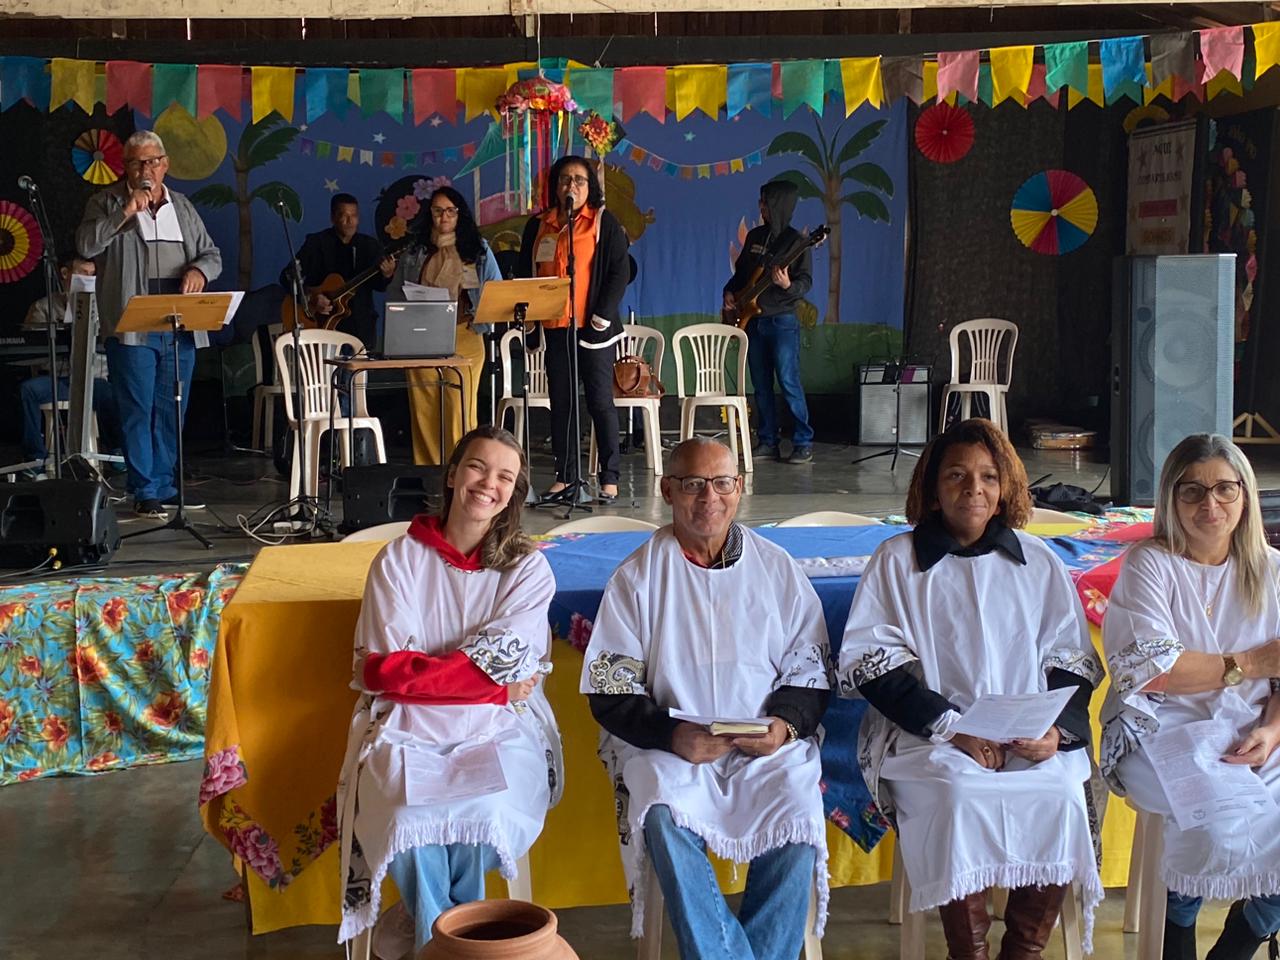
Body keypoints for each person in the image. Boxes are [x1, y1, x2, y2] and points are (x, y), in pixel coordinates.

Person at [839, 418, 1102, 960]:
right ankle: (970, 952)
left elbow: (1072, 658)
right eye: (956, 475)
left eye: (987, 476)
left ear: (1005, 487)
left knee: (1059, 795)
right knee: (957, 797)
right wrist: (953, 728)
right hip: (930, 735)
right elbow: (871, 662)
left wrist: (1056, 732)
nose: (973, 489)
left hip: (1028, 735)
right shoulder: (897, 561)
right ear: (932, 488)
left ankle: (1023, 950)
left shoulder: (1037, 561)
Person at [579, 437, 831, 960]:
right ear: (667, 490)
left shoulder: (777, 568)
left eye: (721, 483)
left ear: (739, 487)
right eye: (693, 484)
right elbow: (610, 689)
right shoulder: (637, 578)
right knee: (661, 813)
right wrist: (673, 735)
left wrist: (783, 726)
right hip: (673, 748)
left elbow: (810, 667)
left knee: (797, 810)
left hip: (763, 745)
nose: (708, 497)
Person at [335, 425, 562, 959]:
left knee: (486, 813)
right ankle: (462, 941)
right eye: (478, 467)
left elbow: (403, 670)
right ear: (453, 474)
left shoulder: (528, 568)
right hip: (405, 728)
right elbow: (384, 675)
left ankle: (431, 936)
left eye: (504, 476)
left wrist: (419, 672)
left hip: (499, 728)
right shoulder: (399, 560)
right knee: (405, 815)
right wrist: (490, 683)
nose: (488, 484)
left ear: (515, 492)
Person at [1101, 433, 1280, 960]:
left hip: (1257, 728)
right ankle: (1177, 921)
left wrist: (1272, 730)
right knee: (1215, 825)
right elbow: (1154, 672)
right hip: (1161, 728)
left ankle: (1245, 935)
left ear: (1245, 495)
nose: (1210, 504)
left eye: (1225, 489)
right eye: (1192, 491)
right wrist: (1251, 663)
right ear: (1170, 498)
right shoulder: (1150, 565)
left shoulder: (1272, 569)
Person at [76, 129, 221, 520]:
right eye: (137, 163)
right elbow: (86, 245)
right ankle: (144, 490)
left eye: (153, 162)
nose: (146, 170)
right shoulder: (105, 202)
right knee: (137, 409)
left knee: (172, 408)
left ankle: (166, 486)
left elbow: (212, 254)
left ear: (165, 164)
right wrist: (125, 211)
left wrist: (199, 272)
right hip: (132, 326)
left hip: (179, 325)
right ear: (125, 167)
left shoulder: (183, 206)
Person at [516, 155, 630, 503]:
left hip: (593, 328)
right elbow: (525, 271)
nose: (572, 185)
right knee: (562, 403)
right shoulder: (539, 225)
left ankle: (609, 478)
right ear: (555, 186)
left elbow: (620, 271)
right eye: (565, 179)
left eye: (579, 180)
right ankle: (565, 477)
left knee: (599, 401)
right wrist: (530, 317)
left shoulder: (602, 222)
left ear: (589, 186)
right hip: (555, 327)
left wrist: (602, 315)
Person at [385, 186, 501, 465]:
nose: (444, 216)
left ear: (460, 214)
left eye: (450, 210)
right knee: (424, 409)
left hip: (465, 334)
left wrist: (481, 314)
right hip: (420, 337)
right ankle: (430, 476)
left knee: (459, 409)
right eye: (438, 211)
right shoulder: (415, 250)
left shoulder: (478, 249)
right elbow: (395, 293)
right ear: (430, 214)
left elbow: (496, 289)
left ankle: (460, 470)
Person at [723, 179, 815, 465]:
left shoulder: (797, 242)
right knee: (761, 384)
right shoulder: (754, 237)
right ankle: (767, 441)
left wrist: (787, 285)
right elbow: (740, 275)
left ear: (778, 205)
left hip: (782, 321)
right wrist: (729, 292)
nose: (761, 207)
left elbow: (805, 282)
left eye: (765, 202)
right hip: (752, 321)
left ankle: (803, 442)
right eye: (761, 201)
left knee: (788, 381)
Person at [18, 254, 119, 470]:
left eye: (92, 275)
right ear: (65, 274)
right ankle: (35, 458)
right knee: (28, 390)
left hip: (93, 380)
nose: (88, 279)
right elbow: (33, 351)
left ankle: (117, 450)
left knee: (115, 393)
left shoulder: (104, 307)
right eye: (83, 273)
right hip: (56, 380)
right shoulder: (43, 307)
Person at [281, 192, 395, 350]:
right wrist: (310, 297)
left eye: (354, 216)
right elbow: (287, 277)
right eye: (344, 216)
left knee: (361, 365)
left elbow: (379, 285)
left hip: (361, 327)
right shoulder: (316, 243)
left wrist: (387, 274)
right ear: (333, 218)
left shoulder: (370, 246)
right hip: (320, 326)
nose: (350, 221)